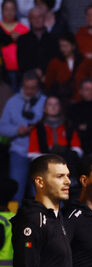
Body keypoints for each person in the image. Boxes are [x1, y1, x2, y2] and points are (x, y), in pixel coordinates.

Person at [0, 70, 45, 202]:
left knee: (39, 192)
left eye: (33, 88)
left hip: (39, 153)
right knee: (16, 191)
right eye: (26, 88)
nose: (30, 91)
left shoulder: (45, 102)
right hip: (19, 151)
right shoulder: (13, 102)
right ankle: (14, 221)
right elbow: (2, 127)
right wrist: (17, 130)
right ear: (21, 86)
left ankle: (41, 221)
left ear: (38, 87)